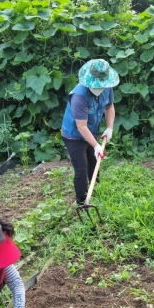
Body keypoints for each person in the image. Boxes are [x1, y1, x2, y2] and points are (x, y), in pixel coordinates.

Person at [61, 58, 119, 205]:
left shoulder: (107, 86)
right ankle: (81, 202)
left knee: (94, 162)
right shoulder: (79, 96)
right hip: (74, 135)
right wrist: (96, 146)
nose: (100, 88)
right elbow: (81, 127)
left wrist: (109, 127)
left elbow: (109, 107)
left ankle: (96, 189)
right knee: (81, 169)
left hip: (91, 130)